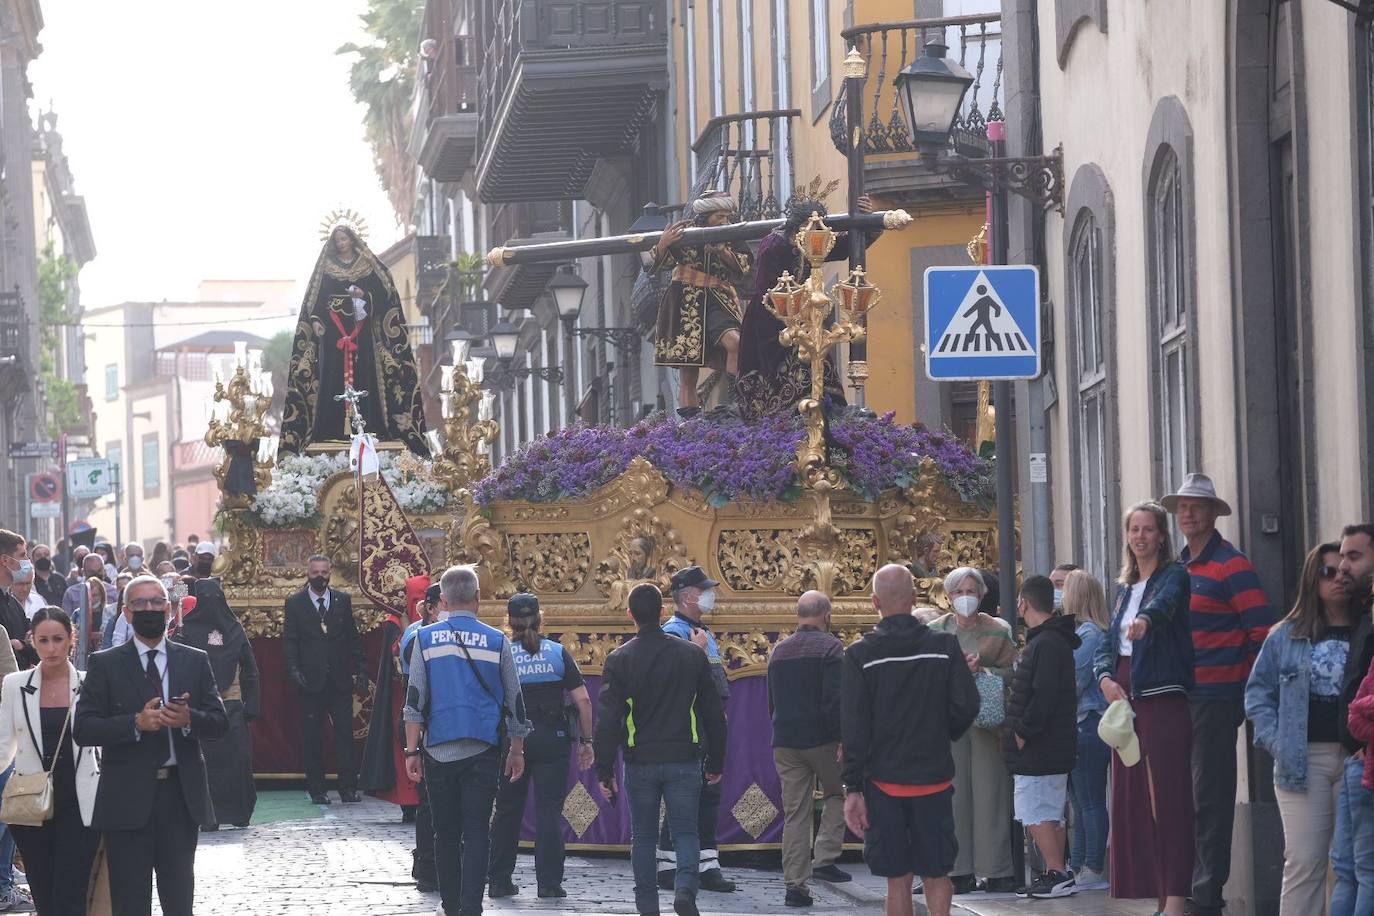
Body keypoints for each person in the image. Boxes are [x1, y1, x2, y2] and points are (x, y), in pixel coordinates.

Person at [73, 574, 229, 916]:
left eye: (157, 603)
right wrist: (134, 724)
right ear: (126, 613)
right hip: (125, 801)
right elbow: (83, 729)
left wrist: (189, 719)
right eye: (140, 603)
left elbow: (220, 722)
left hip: (179, 797)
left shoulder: (194, 660)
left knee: (179, 899)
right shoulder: (106, 663)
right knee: (129, 902)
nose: (150, 609)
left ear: (170, 610)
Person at [1163, 473, 1274, 916]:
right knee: (1181, 796)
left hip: (1214, 697)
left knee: (1209, 797)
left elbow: (1263, 633)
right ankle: (1182, 888)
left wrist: (1237, 684)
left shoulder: (1232, 564)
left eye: (1196, 506)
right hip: (1178, 696)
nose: (1187, 513)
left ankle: (1206, 896)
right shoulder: (1176, 567)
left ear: (1212, 514)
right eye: (1182, 507)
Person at [841, 564, 979, 916]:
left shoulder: (860, 655)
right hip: (933, 777)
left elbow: (854, 725)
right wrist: (941, 732)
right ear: (914, 598)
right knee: (937, 872)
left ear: (875, 602)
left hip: (884, 781)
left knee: (897, 878)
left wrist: (852, 788)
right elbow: (967, 703)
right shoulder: (944, 646)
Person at [402, 565, 530, 916]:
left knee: (445, 833)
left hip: (438, 750)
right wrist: (517, 749)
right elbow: (515, 701)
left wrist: (411, 750)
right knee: (477, 832)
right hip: (482, 750)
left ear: (442, 600)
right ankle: (472, 906)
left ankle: (451, 905)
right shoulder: (496, 640)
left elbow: (414, 701)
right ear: (478, 598)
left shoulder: (425, 639)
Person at [595, 583, 727, 916]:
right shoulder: (692, 655)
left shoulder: (619, 658)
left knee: (643, 836)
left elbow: (608, 720)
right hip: (684, 757)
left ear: (630, 616)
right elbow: (713, 713)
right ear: (663, 612)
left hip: (640, 761)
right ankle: (685, 890)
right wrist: (717, 759)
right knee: (686, 831)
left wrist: (604, 769)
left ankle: (647, 905)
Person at [1093, 500, 1194, 916]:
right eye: (1134, 529)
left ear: (1162, 535)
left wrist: (1146, 622)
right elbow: (1105, 643)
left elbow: (1165, 605)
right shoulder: (1122, 591)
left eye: (1148, 529)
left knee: (1166, 796)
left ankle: (1176, 901)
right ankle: (1158, 896)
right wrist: (1103, 678)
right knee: (1134, 801)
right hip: (1125, 694)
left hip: (1162, 695)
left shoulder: (1175, 575)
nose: (1140, 537)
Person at [1245, 542, 1352, 916]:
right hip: (1303, 763)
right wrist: (1280, 743)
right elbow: (1257, 696)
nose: (1338, 577)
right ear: (1312, 579)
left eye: (1345, 571)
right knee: (1305, 863)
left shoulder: (1366, 633)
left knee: (1347, 868)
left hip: (1358, 761)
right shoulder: (1286, 635)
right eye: (1328, 571)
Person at [279, 223, 429, 456]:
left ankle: (372, 427)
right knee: (332, 379)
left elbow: (384, 293)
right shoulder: (326, 268)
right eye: (337, 240)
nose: (341, 243)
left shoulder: (367, 265)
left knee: (366, 378)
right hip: (333, 336)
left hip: (362, 335)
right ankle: (330, 431)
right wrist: (317, 321)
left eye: (344, 239)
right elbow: (315, 301)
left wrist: (363, 296)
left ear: (352, 239)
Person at [488, 593, 594, 900]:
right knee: (549, 811)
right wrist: (587, 742)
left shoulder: (502, 654)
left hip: (512, 741)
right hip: (553, 738)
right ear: (540, 617)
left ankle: (499, 880)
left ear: (508, 622)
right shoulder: (557, 652)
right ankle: (549, 884)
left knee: (508, 810)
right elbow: (584, 701)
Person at [735, 195, 877, 421]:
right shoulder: (774, 245)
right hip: (770, 319)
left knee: (818, 360)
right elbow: (767, 290)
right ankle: (791, 419)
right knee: (793, 365)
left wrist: (869, 219)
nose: (814, 233)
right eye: (809, 227)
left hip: (804, 318)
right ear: (796, 226)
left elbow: (846, 245)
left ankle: (826, 411)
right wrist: (798, 305)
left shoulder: (815, 241)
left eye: (818, 228)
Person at [0, 608, 100, 915]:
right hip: (31, 802)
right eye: (43, 640)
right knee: (43, 894)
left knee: (72, 892)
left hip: (81, 800)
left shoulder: (90, 684)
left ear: (71, 639)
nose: (52, 647)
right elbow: (4, 745)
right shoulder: (16, 684)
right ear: (33, 641)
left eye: (58, 639)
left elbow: (103, 744)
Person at [924, 566, 1017, 893]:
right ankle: (957, 870)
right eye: (959, 592)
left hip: (987, 721)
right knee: (953, 796)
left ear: (981, 595)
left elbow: (1013, 673)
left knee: (991, 793)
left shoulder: (998, 630)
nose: (966, 598)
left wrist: (985, 668)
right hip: (949, 723)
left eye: (971, 591)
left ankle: (997, 869)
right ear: (948, 597)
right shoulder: (934, 630)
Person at [767, 590, 850, 908]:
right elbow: (833, 699)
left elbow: (771, 699)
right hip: (822, 739)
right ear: (827, 616)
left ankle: (795, 887)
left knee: (795, 813)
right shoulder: (831, 647)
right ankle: (825, 859)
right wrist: (841, 737)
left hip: (785, 741)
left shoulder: (779, 650)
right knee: (838, 792)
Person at [1003, 575, 1080, 898]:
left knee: (1033, 809)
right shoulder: (1052, 641)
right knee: (1050, 810)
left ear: (1023, 603)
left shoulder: (1045, 644)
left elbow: (1043, 694)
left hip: (1040, 744)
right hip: (1053, 743)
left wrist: (1022, 731)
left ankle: (1057, 870)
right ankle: (1055, 871)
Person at [659, 566, 733, 893]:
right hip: (691, 727)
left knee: (705, 796)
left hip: (707, 723)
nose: (708, 595)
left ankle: (703, 864)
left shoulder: (701, 631)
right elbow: (677, 685)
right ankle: (671, 866)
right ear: (687, 595)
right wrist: (699, 654)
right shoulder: (675, 633)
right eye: (703, 590)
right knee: (688, 796)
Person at [650, 191, 752, 418]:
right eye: (719, 216)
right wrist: (663, 245)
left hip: (718, 299)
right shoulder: (683, 231)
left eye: (726, 215)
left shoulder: (731, 234)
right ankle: (691, 422)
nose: (724, 221)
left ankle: (736, 404)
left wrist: (723, 251)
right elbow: (656, 265)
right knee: (688, 370)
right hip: (686, 301)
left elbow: (744, 265)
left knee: (736, 342)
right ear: (705, 216)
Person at [172, 578, 259, 829]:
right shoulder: (184, 630)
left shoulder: (234, 630)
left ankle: (239, 813)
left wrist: (250, 707)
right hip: (200, 710)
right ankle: (209, 817)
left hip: (232, 706)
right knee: (207, 766)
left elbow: (250, 671)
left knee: (237, 763)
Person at [281, 555, 366, 805]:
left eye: (324, 571)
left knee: (345, 736)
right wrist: (293, 670)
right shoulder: (295, 603)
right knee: (312, 737)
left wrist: (361, 667)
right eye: (315, 571)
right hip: (311, 680)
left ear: (331, 573)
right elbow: (290, 641)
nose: (320, 576)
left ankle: (348, 788)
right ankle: (317, 789)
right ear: (307, 573)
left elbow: (352, 636)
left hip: (339, 679)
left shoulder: (342, 600)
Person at [1332, 523, 1374, 916]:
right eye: (1343, 555)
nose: (1343, 565)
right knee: (1347, 870)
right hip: (1355, 760)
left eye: (1355, 556)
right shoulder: (1363, 610)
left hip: (1367, 758)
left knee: (1365, 871)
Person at [360, 575, 426, 821]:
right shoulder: (395, 624)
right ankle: (409, 802)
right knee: (405, 748)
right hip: (403, 697)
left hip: (428, 698)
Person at [1062, 569, 1110, 890]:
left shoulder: (1090, 634)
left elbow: (1072, 680)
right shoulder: (1088, 632)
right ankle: (1079, 866)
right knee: (1080, 803)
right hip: (1083, 723)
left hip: (1089, 723)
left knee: (1090, 801)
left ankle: (1092, 867)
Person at [403, 583, 440, 893]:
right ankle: (427, 866)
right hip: (430, 728)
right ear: (431, 607)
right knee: (429, 803)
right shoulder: (419, 638)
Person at [0, 530, 36, 669]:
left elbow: (36, 647)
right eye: (22, 555)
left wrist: (21, 645)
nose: (27, 560)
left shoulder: (13, 603)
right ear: (5, 560)